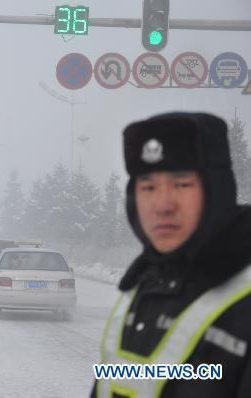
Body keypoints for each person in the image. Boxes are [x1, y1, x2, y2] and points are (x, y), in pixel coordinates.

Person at [92, 112, 251, 397]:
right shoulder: (141, 286)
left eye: (182, 184)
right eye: (148, 187)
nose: (162, 205)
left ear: (217, 189)